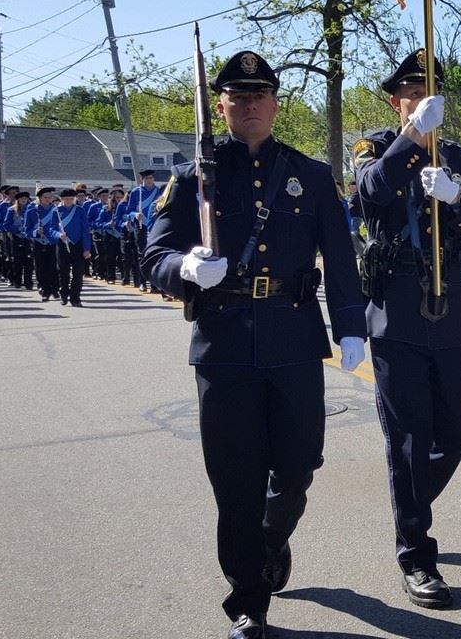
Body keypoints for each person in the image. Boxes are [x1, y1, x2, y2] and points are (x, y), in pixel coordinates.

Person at [141, 50, 366, 639]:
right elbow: (154, 255)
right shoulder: (195, 176)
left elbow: (339, 256)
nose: (249, 106)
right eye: (237, 97)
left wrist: (350, 323)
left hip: (294, 338)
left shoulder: (310, 174)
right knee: (236, 480)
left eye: (259, 95)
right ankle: (248, 598)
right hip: (224, 344)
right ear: (220, 107)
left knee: (298, 466)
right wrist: (185, 268)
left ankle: (268, 540)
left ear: (275, 104)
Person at [351, 50, 461, 609]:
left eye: (429, 93)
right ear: (397, 101)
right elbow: (370, 192)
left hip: (452, 306)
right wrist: (412, 138)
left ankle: (409, 505)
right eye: (411, 94)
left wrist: (456, 197)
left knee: (458, 430)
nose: (420, 101)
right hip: (397, 308)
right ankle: (415, 552)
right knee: (409, 438)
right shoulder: (374, 148)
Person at [46, 188, 92, 307]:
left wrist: (87, 248)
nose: (69, 201)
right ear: (62, 199)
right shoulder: (56, 211)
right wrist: (59, 235)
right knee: (63, 271)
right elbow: (51, 229)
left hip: (78, 244)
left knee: (78, 272)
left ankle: (75, 297)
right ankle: (64, 293)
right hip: (62, 244)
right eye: (66, 199)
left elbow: (85, 230)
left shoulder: (80, 210)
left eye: (71, 199)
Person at [125, 169, 160, 291]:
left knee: (154, 254)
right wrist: (135, 215)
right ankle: (142, 282)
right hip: (141, 226)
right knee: (142, 254)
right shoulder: (136, 192)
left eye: (151, 178)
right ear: (142, 179)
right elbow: (128, 212)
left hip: (155, 226)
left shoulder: (158, 191)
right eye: (147, 178)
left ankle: (154, 284)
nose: (150, 180)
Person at [27, 188, 60, 302]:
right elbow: (27, 230)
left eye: (49, 197)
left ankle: (55, 289)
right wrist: (35, 232)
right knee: (41, 268)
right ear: (40, 198)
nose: (47, 199)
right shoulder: (32, 211)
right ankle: (45, 290)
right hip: (39, 242)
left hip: (53, 242)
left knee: (54, 267)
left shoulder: (56, 210)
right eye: (45, 197)